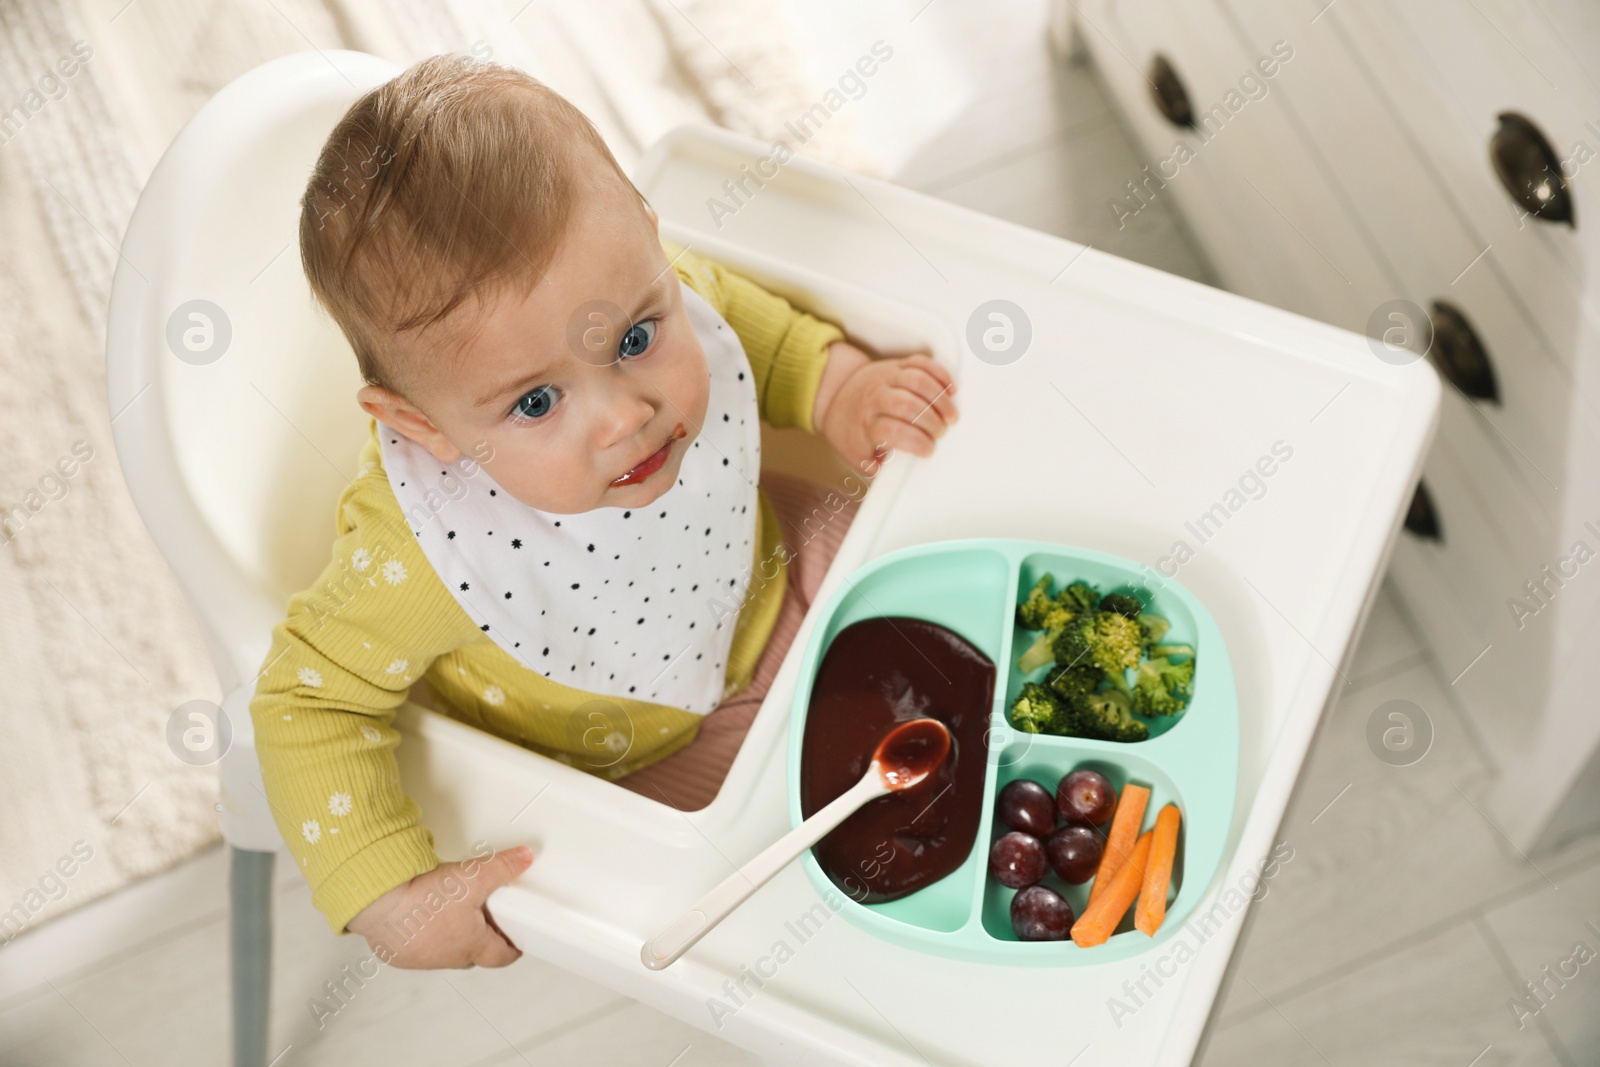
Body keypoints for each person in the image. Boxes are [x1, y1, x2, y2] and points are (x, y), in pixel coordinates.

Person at [249, 54, 958, 970]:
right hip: (631, 743)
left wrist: (839, 384)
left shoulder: (645, 284)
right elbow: (307, 701)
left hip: (770, 569)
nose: (627, 416)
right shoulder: (426, 555)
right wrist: (385, 890)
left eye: (633, 339)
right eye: (536, 404)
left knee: (935, 571)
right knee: (781, 893)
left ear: (651, 240)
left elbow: (746, 325)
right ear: (423, 426)